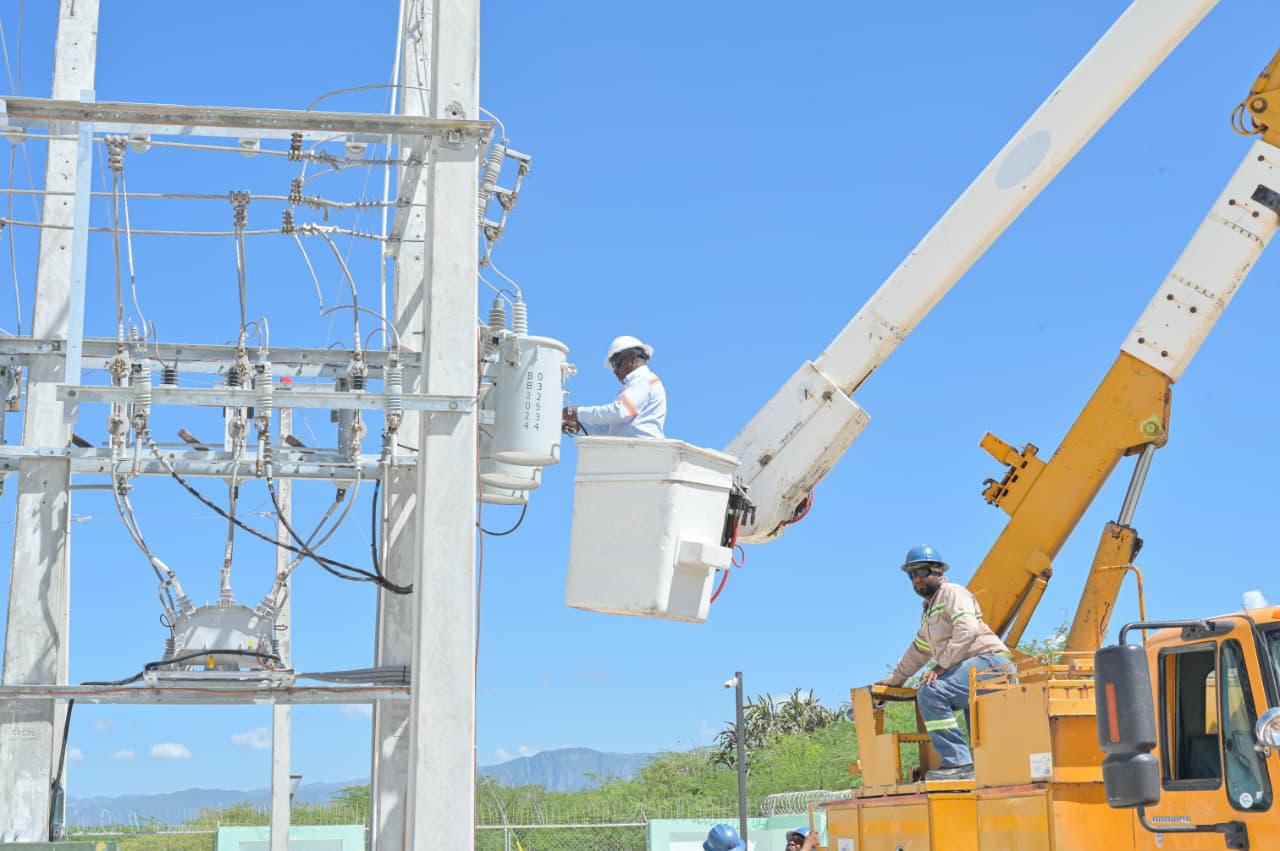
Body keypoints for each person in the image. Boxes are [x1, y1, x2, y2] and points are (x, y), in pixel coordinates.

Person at [875, 544, 1013, 782]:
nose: (917, 579)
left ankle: (958, 763)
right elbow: (918, 651)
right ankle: (982, 767)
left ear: (938, 571)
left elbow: (967, 629)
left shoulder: (953, 593)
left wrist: (941, 667)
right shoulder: (930, 611)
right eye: (912, 575)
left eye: (922, 571)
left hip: (991, 663)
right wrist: (895, 680)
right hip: (976, 668)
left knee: (932, 690)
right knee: (975, 718)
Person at [562, 335, 666, 438]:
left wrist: (577, 412)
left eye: (616, 363)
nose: (615, 371)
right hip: (632, 445)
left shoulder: (644, 379)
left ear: (631, 358)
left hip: (640, 446)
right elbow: (611, 431)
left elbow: (619, 412)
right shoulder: (638, 383)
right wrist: (578, 427)